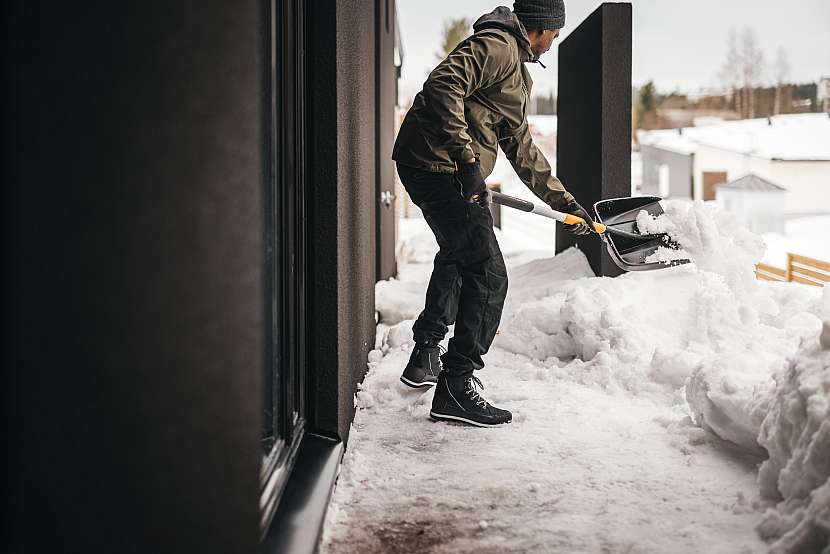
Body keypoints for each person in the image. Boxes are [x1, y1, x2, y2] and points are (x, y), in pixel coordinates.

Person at [392, 0, 595, 427]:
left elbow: (520, 145)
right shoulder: (499, 46)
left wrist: (565, 203)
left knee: (459, 254)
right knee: (487, 273)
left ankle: (426, 353)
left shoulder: (515, 69)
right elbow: (443, 83)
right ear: (540, 28)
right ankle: (456, 385)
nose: (553, 44)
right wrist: (467, 162)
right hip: (440, 168)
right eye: (554, 35)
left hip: (434, 166)